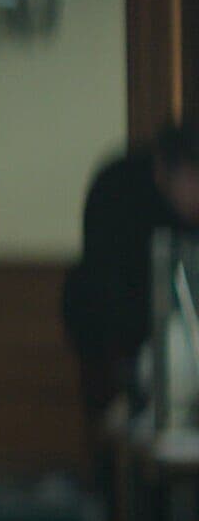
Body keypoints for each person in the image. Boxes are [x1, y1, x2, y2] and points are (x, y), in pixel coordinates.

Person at [63, 120, 199, 429]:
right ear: (165, 170)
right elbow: (105, 287)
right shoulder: (118, 189)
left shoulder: (187, 211)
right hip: (107, 324)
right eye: (193, 179)